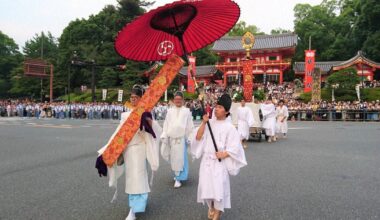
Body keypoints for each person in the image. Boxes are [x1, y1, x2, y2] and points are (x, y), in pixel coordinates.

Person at [97, 85, 161, 220]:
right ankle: (137, 204)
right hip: (128, 150)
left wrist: (149, 121)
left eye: (136, 97)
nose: (133, 99)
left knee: (138, 176)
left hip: (139, 148)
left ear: (141, 99)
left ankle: (134, 209)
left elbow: (155, 130)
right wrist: (107, 149)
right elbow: (118, 134)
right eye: (131, 97)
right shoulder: (125, 115)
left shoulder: (146, 113)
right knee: (131, 177)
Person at [191, 94, 247, 220]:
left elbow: (235, 148)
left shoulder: (230, 128)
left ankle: (217, 213)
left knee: (218, 187)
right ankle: (211, 206)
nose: (216, 109)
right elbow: (198, 137)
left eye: (220, 107)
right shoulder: (209, 123)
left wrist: (224, 153)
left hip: (219, 163)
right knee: (207, 186)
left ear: (226, 111)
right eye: (216, 106)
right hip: (206, 161)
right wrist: (204, 123)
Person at [161, 91, 194, 188]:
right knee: (174, 159)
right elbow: (166, 124)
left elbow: (189, 126)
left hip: (181, 139)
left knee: (181, 159)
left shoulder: (186, 111)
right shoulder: (170, 111)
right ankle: (177, 175)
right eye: (176, 99)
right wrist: (164, 135)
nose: (178, 101)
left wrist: (190, 137)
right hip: (172, 139)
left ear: (183, 100)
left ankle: (179, 178)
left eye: (180, 99)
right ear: (173, 100)